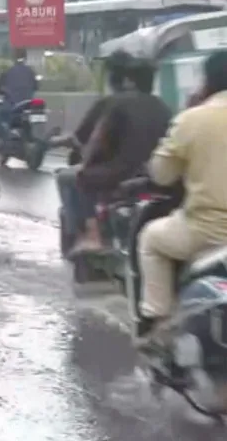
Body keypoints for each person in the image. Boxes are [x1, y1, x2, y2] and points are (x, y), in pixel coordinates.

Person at [135, 51, 227, 343]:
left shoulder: (193, 119)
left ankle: (158, 321)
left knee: (150, 239)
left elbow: (161, 174)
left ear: (207, 81)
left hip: (207, 232)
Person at [71, 57, 171, 253]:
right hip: (153, 175)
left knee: (78, 178)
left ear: (129, 81)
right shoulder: (163, 107)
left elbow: (97, 141)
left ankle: (93, 236)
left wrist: (87, 162)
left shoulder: (116, 104)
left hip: (121, 172)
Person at [54, 50, 136, 250]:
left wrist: (55, 141)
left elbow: (79, 137)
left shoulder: (108, 104)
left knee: (67, 177)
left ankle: (86, 233)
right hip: (144, 173)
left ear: (110, 77)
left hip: (112, 172)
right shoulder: (154, 104)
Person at [0, 48, 38, 146]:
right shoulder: (31, 72)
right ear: (26, 57)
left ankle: (1, 141)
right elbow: (36, 87)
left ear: (13, 57)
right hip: (28, 106)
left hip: (12, 106)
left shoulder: (8, 72)